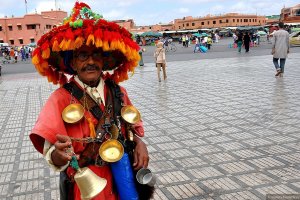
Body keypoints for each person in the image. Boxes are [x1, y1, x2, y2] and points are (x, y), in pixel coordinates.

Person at [29, 2, 151, 200]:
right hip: (87, 186)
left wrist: (139, 142)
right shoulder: (59, 99)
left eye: (96, 54)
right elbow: (50, 150)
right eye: (83, 55)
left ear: (103, 60)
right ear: (73, 62)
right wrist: (58, 156)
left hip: (123, 178)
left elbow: (129, 129)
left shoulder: (118, 91)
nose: (91, 62)